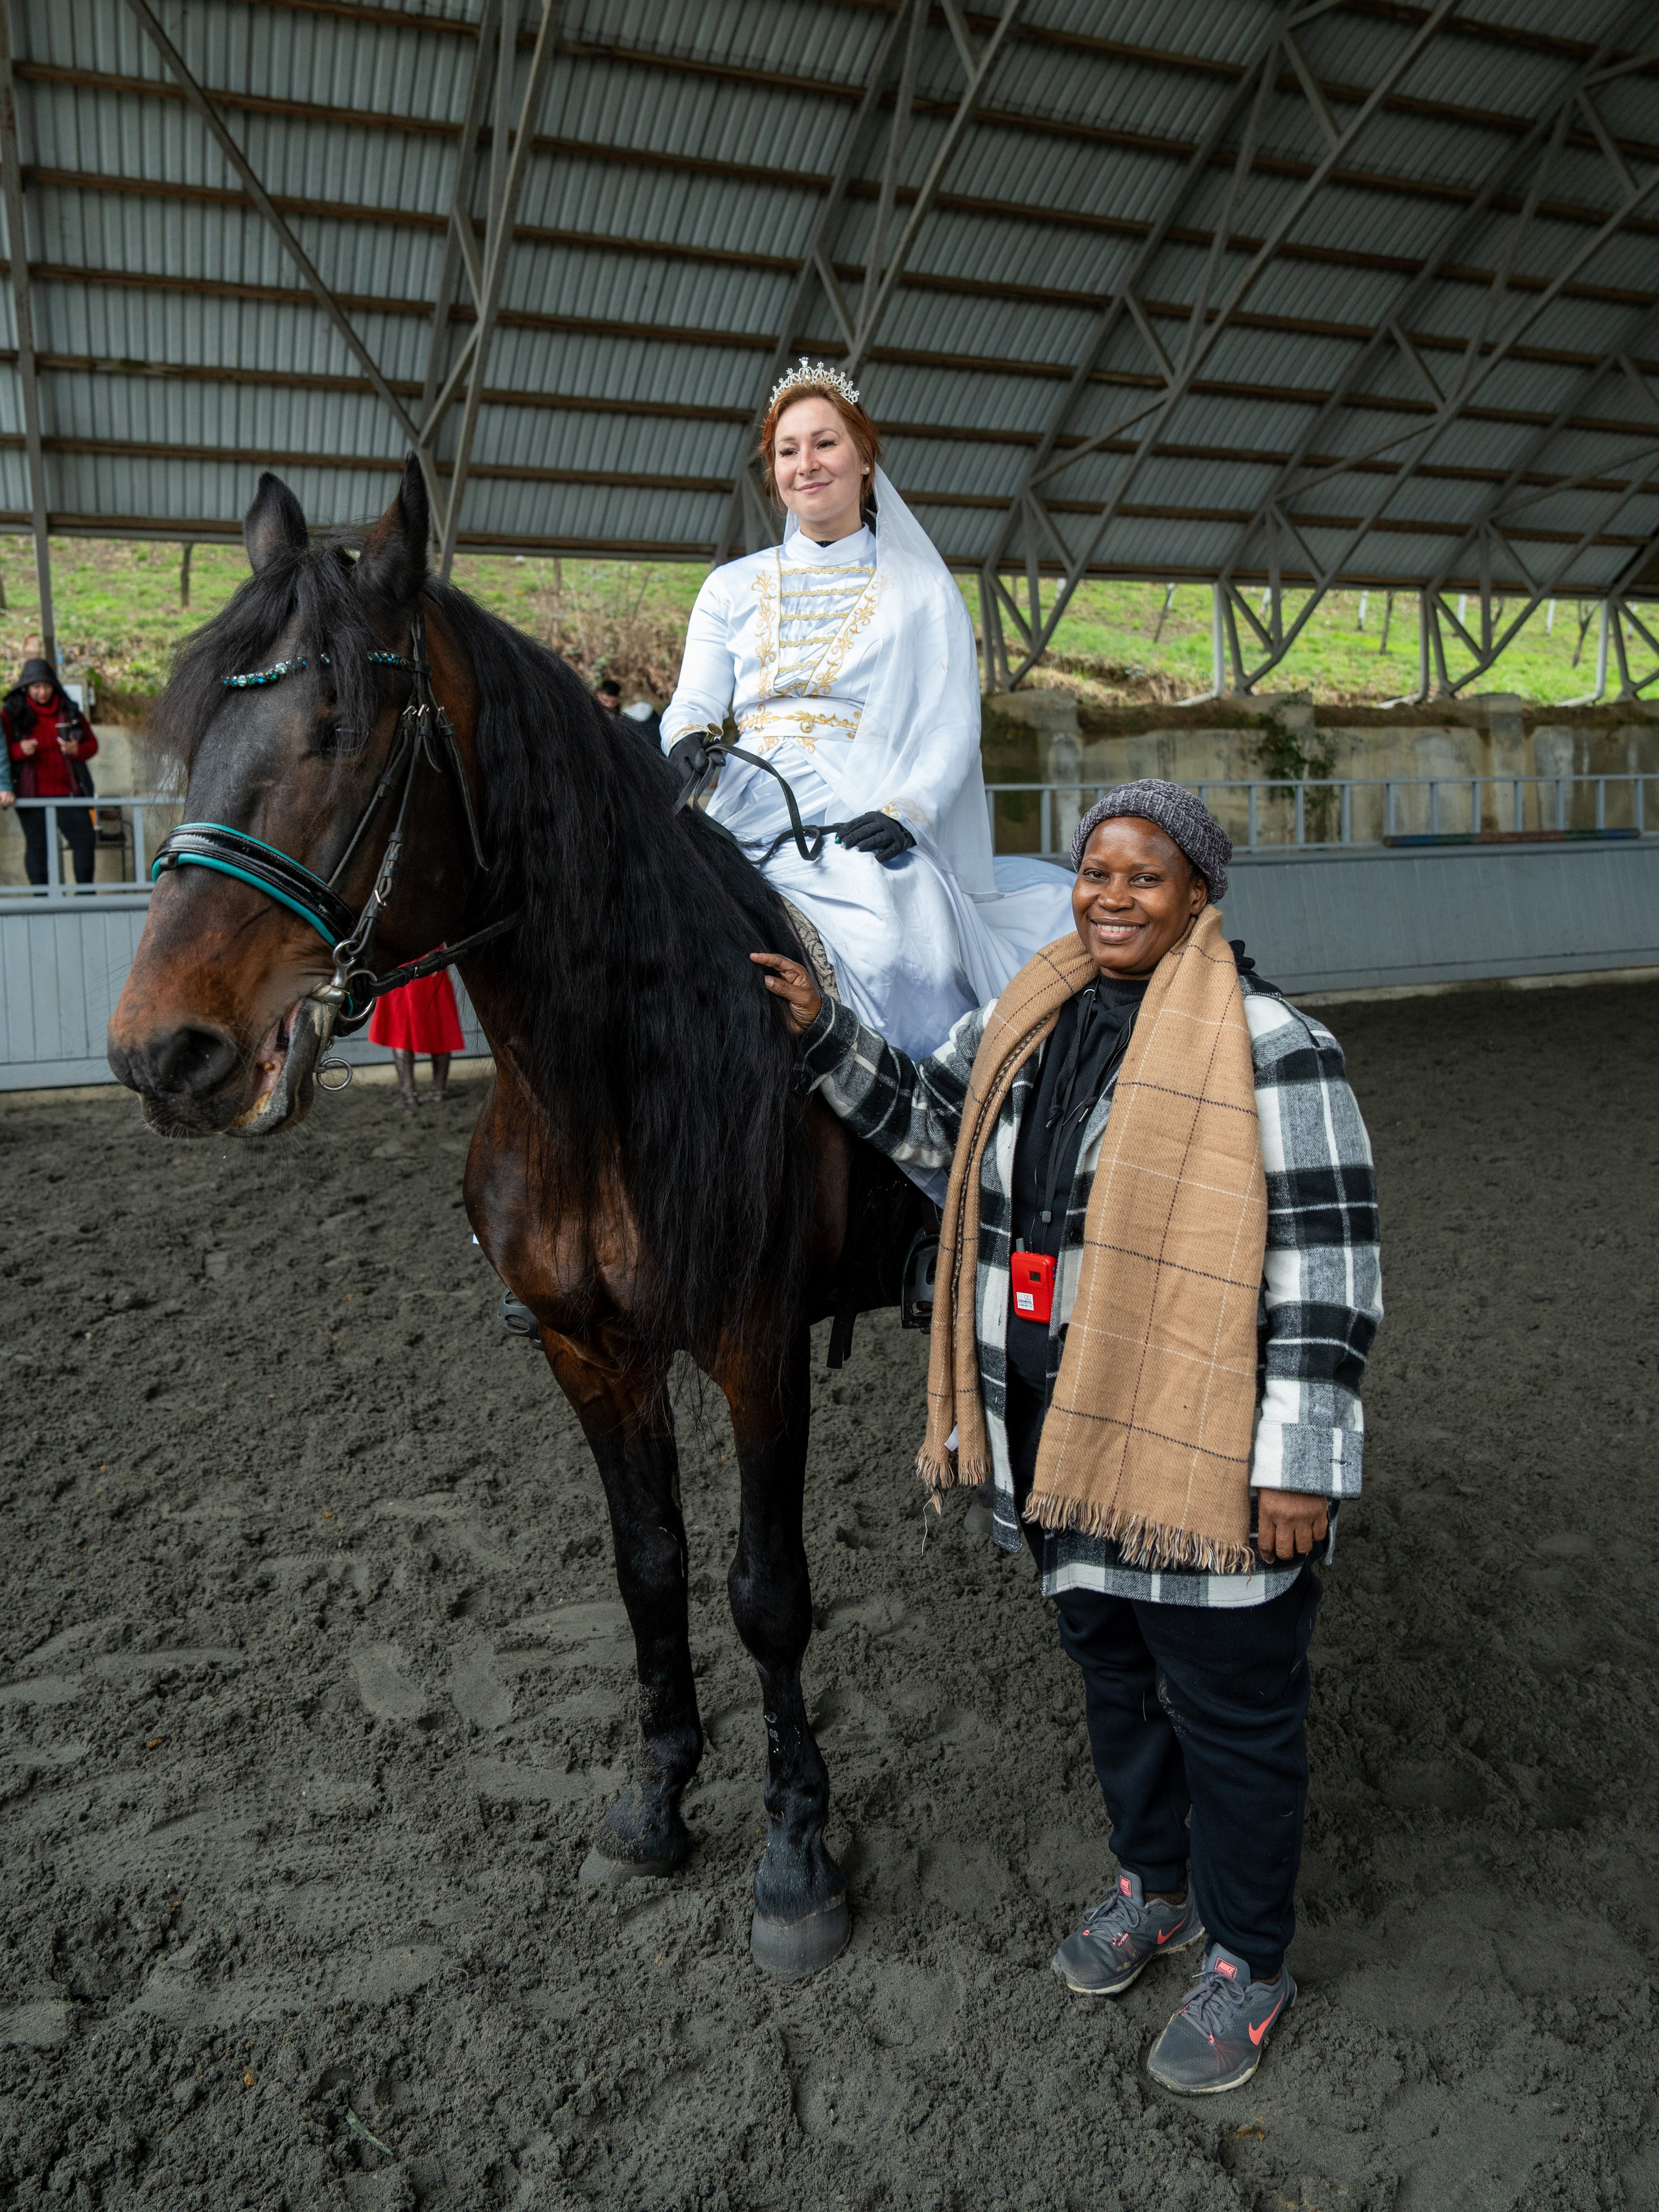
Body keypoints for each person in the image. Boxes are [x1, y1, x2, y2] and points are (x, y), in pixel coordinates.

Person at [752, 780, 1381, 2097]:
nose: (1106, 894)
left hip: (1199, 1458)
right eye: (1093, 869)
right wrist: (825, 1040)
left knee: (1232, 1707)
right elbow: (932, 1127)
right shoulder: (1024, 1019)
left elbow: (1327, 1265)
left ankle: (1247, 1958)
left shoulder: (1275, 1046)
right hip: (1057, 1436)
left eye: (1141, 876)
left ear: (1197, 894)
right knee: (1111, 1673)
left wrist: (1300, 1460)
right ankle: (1151, 1886)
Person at [660, 359, 1071, 1181]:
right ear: (773, 471)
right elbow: (693, 698)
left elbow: (955, 724)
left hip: (860, 799)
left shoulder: (921, 589)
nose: (805, 463)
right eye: (787, 450)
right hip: (740, 795)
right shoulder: (731, 586)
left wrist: (909, 811)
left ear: (864, 459)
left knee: (899, 932)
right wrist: (688, 738)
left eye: (824, 443)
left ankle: (936, 1151)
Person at [3, 658, 97, 889]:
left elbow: (92, 745)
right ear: (26, 687)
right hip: (31, 794)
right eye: (36, 687)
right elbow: (2, 752)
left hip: (70, 792)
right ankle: (42, 899)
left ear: (54, 685)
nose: (42, 692)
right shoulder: (11, 714)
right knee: (37, 845)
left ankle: (85, 894)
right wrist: (19, 750)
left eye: (46, 686)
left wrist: (76, 750)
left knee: (85, 840)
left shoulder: (70, 710)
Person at [367, 968, 465, 1108]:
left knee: (400, 1032)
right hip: (435, 966)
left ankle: (409, 1095)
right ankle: (438, 1091)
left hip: (404, 968)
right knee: (440, 1025)